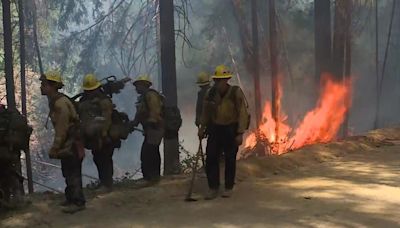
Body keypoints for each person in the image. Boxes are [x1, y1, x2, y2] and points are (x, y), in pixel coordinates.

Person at [198, 65, 250, 200]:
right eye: (216, 80)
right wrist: (202, 128)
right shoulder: (210, 94)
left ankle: (228, 187)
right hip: (215, 129)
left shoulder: (235, 92)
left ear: (226, 80)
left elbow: (243, 113)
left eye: (221, 80)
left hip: (230, 129)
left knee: (229, 159)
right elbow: (205, 112)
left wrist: (240, 133)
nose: (218, 83)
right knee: (211, 157)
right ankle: (213, 187)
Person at [40, 70, 85, 213]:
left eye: (44, 84)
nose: (41, 87)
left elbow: (62, 129)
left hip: (71, 143)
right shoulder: (57, 101)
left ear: (52, 86)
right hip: (70, 142)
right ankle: (71, 198)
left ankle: (77, 202)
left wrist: (55, 148)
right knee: (68, 171)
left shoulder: (60, 104)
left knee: (73, 172)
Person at [78, 74, 115, 193]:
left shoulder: (104, 101)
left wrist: (104, 134)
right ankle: (103, 182)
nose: (89, 93)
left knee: (104, 158)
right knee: (98, 158)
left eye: (91, 90)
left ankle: (107, 184)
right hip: (94, 137)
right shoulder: (86, 101)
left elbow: (107, 118)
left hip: (105, 136)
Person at [130, 75, 164, 185]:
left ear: (144, 85)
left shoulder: (151, 95)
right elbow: (140, 114)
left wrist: (151, 123)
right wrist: (133, 123)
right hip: (150, 129)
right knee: (149, 152)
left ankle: (151, 178)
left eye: (137, 85)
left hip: (155, 128)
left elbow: (155, 111)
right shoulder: (143, 97)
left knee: (148, 153)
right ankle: (151, 177)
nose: (136, 88)